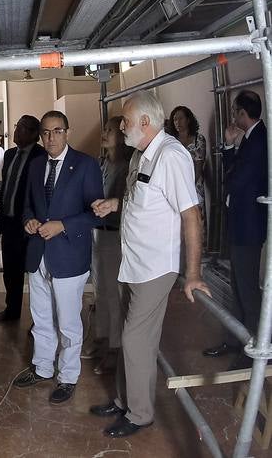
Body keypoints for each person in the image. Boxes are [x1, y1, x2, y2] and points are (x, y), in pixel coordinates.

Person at [90, 91, 210, 438]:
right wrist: (115, 204)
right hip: (134, 262)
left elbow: (191, 215)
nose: (121, 126)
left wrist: (193, 274)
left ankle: (139, 413)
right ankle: (124, 399)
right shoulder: (141, 155)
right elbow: (143, 201)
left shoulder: (171, 156)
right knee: (131, 338)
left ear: (145, 122)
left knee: (134, 338)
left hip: (156, 267)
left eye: (125, 121)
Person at [14, 111, 103, 404]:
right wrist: (28, 220)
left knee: (68, 321)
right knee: (40, 317)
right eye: (45, 132)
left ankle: (67, 376)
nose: (50, 137)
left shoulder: (86, 165)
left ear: (67, 132)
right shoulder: (36, 165)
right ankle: (42, 367)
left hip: (69, 255)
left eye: (57, 131)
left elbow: (95, 214)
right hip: (38, 252)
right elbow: (27, 204)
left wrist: (63, 225)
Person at [203, 89, 267, 368]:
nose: (232, 116)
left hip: (248, 227)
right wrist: (229, 147)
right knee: (239, 287)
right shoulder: (252, 139)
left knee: (247, 288)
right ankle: (238, 339)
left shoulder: (259, 141)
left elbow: (236, 180)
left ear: (243, 113)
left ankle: (253, 347)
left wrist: (229, 151)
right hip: (241, 224)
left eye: (234, 111)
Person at [0, 115, 45, 324]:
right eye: (17, 126)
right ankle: (12, 310)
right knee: (11, 271)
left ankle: (39, 321)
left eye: (22, 128)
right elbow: (7, 187)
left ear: (33, 134)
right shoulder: (11, 154)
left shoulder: (41, 157)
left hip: (30, 224)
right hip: (10, 221)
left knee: (34, 273)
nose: (16, 131)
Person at [92, 116, 132, 375]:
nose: (104, 133)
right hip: (98, 232)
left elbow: (128, 204)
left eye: (109, 130)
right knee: (100, 291)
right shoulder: (102, 163)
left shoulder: (128, 166)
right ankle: (102, 339)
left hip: (116, 235)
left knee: (115, 293)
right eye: (104, 129)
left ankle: (116, 347)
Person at [168, 105, 206, 228]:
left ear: (188, 119)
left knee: (196, 224)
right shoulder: (171, 141)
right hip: (174, 188)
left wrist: (186, 188)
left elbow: (198, 167)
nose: (177, 122)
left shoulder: (198, 139)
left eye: (181, 118)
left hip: (194, 188)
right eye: (175, 119)